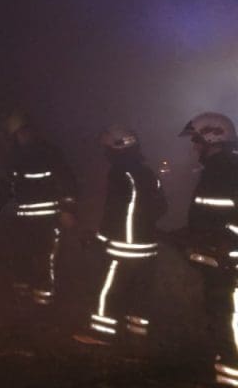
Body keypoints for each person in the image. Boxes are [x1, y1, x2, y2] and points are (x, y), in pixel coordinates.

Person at [73, 126, 165, 345]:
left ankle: (102, 333)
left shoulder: (119, 173)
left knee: (109, 289)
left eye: (107, 148)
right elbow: (162, 207)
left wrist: (99, 239)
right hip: (147, 247)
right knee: (140, 292)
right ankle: (137, 337)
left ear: (116, 148)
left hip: (123, 247)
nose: (105, 153)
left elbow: (113, 212)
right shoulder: (148, 173)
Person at [178, 112, 238, 387]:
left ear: (212, 138)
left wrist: (226, 246)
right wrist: (187, 236)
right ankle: (226, 374)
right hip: (218, 261)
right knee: (219, 317)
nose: (194, 147)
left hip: (229, 263)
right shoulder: (216, 170)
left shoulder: (228, 170)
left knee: (229, 319)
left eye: (196, 141)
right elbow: (211, 216)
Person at [0, 110, 78, 307]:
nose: (24, 136)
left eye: (26, 131)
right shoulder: (14, 157)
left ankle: (44, 303)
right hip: (21, 221)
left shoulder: (50, 152)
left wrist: (68, 210)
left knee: (45, 259)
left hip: (48, 219)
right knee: (21, 257)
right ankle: (22, 301)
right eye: (19, 133)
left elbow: (68, 182)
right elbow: (6, 186)